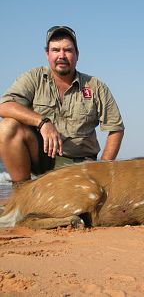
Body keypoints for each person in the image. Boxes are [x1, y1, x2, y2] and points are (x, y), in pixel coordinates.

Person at [0, 26, 124, 186]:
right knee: (7, 127)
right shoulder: (33, 77)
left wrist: (103, 168)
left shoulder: (95, 86)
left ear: (77, 55)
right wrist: (43, 122)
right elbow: (4, 106)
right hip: (42, 159)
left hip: (81, 165)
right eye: (56, 50)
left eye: (68, 50)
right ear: (47, 54)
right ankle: (21, 191)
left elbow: (116, 128)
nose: (61, 55)